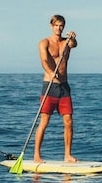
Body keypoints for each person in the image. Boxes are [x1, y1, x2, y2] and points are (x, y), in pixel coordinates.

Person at [34, 14, 79, 164]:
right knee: (44, 121)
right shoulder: (44, 43)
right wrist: (50, 72)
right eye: (56, 25)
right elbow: (44, 60)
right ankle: (37, 155)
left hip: (64, 87)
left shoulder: (66, 43)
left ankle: (67, 155)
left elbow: (74, 44)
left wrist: (72, 38)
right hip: (50, 85)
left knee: (68, 121)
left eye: (61, 26)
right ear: (51, 26)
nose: (59, 28)